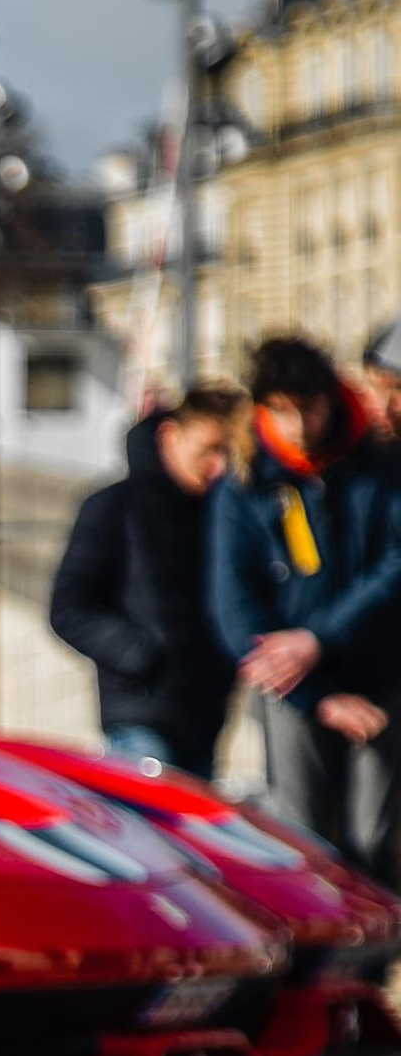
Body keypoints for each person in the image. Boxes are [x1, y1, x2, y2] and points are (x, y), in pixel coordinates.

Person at [211, 332, 401, 881]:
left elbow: (393, 566)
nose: (298, 427)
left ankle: (367, 961)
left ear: (330, 398)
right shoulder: (247, 477)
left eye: (308, 409)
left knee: (372, 833)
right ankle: (309, 959)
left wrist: (319, 638)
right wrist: (314, 692)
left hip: (376, 671)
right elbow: (234, 603)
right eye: (282, 412)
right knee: (300, 831)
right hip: (293, 688)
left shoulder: (377, 458)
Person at [46, 384, 243, 777]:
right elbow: (68, 609)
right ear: (169, 436)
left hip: (206, 716)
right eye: (208, 449)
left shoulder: (224, 514)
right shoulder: (112, 506)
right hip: (140, 714)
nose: (217, 466)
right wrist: (142, 654)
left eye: (228, 453)